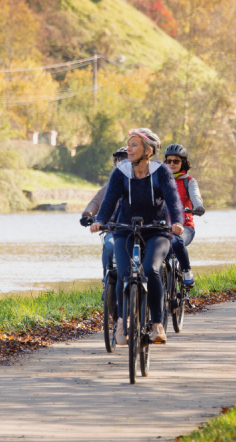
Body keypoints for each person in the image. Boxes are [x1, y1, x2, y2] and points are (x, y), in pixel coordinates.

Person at [91, 128, 184, 344]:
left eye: (134, 145)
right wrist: (100, 221)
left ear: (148, 150)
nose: (129, 149)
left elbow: (173, 199)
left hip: (156, 230)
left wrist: (177, 222)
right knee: (124, 273)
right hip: (125, 230)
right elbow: (109, 201)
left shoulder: (161, 171)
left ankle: (157, 325)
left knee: (151, 270)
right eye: (128, 144)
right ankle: (123, 322)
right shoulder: (121, 172)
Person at [81, 147, 129, 280]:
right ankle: (107, 280)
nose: (121, 161)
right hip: (113, 228)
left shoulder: (140, 182)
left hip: (135, 229)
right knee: (110, 246)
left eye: (125, 157)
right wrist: (87, 215)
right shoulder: (111, 185)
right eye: (119, 159)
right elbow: (96, 202)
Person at [164, 144, 205, 288]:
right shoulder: (160, 181)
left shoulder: (189, 181)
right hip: (163, 227)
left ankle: (187, 272)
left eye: (176, 161)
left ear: (183, 163)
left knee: (175, 241)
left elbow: (195, 196)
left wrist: (198, 206)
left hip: (185, 227)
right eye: (169, 161)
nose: (172, 164)